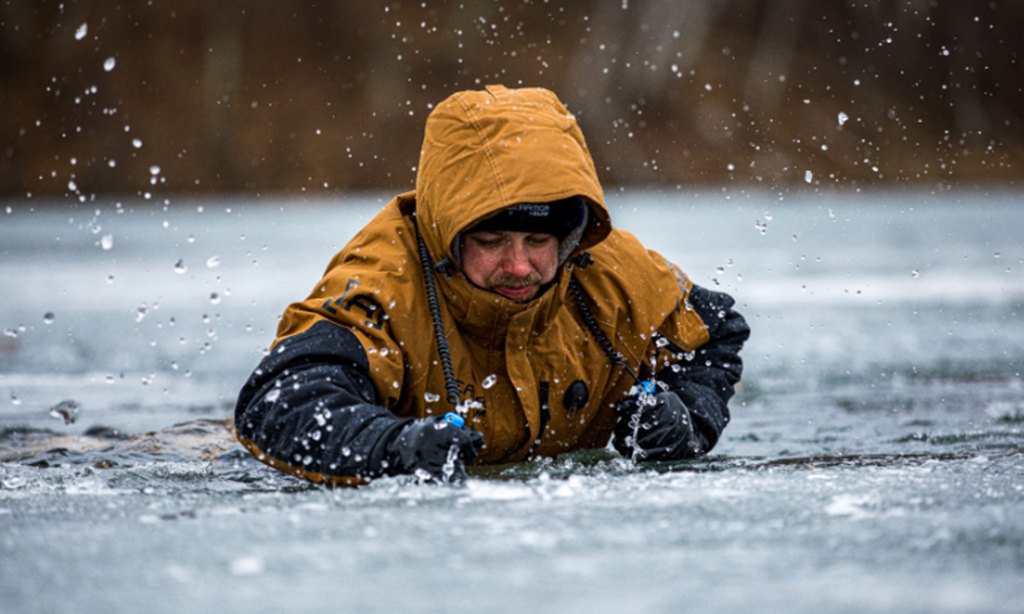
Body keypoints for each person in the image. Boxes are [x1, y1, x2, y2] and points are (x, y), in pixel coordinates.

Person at [234, 85, 749, 485]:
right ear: (448, 233)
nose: (520, 266)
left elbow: (716, 335)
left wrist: (687, 419)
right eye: (491, 240)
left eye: (537, 240)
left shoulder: (608, 269)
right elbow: (280, 403)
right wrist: (395, 449)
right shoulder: (382, 281)